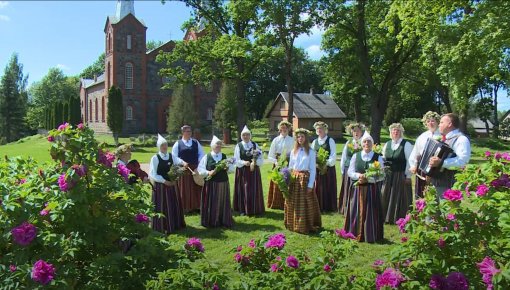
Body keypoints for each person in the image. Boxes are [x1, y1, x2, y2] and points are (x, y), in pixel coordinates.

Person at [344, 133, 385, 243]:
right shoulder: (356, 156)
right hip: (358, 189)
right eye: (365, 142)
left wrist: (369, 179)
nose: (367, 143)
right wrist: (359, 176)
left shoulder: (378, 157)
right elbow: (350, 172)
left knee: (371, 211)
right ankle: (355, 231)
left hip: (371, 189)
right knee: (356, 210)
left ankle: (371, 234)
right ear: (362, 144)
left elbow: (382, 175)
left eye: (369, 142)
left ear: (372, 144)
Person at [284, 128, 321, 234]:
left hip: (304, 179)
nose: (300, 139)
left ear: (306, 138)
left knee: (305, 202)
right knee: (292, 201)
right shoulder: (293, 152)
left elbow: (313, 169)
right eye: (298, 137)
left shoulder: (311, 152)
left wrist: (310, 185)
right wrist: (287, 180)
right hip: (294, 178)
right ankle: (292, 223)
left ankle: (306, 224)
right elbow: (290, 167)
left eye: (302, 137)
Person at [149, 134, 188, 234]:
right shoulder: (155, 158)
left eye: (166, 145)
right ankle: (162, 226)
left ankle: (174, 224)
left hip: (172, 184)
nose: (165, 147)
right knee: (162, 205)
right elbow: (153, 174)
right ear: (159, 147)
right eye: (162, 145)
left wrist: (184, 163)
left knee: (173, 203)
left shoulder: (170, 155)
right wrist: (165, 181)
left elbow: (178, 160)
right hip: (161, 186)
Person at [428, 113, 471, 196]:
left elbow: (463, 162)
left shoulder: (461, 139)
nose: (439, 125)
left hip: (449, 185)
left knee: (446, 208)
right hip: (436, 182)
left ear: (449, 124)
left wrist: (441, 162)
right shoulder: (444, 139)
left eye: (441, 122)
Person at [197, 136, 235, 227]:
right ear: (212, 146)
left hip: (223, 183)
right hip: (211, 185)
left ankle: (223, 219)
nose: (218, 146)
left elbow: (232, 169)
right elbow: (200, 169)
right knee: (211, 202)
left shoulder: (225, 157)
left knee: (222, 201)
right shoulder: (207, 157)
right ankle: (211, 220)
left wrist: (227, 168)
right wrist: (208, 172)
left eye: (219, 144)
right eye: (216, 144)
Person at [381, 123, 413, 224]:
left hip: (400, 174)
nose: (395, 132)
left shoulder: (406, 144)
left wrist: (408, 176)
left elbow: (410, 161)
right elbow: (383, 158)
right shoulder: (387, 144)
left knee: (399, 195)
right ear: (390, 132)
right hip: (388, 175)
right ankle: (386, 216)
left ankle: (399, 217)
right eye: (393, 130)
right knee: (386, 194)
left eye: (398, 131)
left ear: (401, 132)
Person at [171, 125, 205, 213]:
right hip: (184, 169)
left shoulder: (195, 142)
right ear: (183, 132)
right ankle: (185, 207)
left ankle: (197, 206)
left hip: (195, 168)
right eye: (187, 131)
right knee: (185, 188)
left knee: (196, 186)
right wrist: (182, 162)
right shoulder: (178, 143)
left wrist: (199, 164)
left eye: (190, 131)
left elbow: (201, 154)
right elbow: (174, 157)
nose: (189, 133)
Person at [233, 125, 265, 216]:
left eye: (247, 135)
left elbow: (261, 158)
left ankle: (255, 208)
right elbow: (236, 159)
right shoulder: (238, 146)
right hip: (242, 172)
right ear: (241, 136)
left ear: (250, 136)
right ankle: (243, 209)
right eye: (244, 135)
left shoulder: (255, 145)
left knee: (253, 189)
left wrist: (254, 162)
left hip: (253, 171)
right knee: (244, 189)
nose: (245, 137)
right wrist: (244, 162)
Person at [409, 111, 441, 197]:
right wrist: (413, 165)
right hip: (422, 168)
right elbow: (416, 152)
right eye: (428, 121)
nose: (430, 123)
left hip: (437, 168)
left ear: (438, 122)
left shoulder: (442, 135)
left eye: (433, 120)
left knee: (434, 193)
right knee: (421, 193)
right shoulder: (422, 136)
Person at [267, 120, 294, 209]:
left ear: (289, 129)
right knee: (277, 184)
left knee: (288, 183)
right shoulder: (275, 140)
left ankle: (288, 203)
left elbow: (295, 154)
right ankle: (277, 204)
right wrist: (276, 162)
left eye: (286, 128)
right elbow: (270, 155)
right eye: (282, 128)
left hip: (288, 165)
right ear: (279, 129)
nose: (284, 130)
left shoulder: (292, 140)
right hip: (278, 164)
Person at [339, 123, 365, 214]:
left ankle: (356, 208)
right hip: (347, 168)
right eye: (354, 131)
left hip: (358, 170)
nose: (356, 133)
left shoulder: (364, 142)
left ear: (361, 132)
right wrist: (342, 169)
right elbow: (344, 156)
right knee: (347, 188)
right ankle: (346, 208)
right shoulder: (348, 142)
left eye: (358, 131)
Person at [311, 121, 337, 212]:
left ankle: (328, 206)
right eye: (317, 129)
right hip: (318, 167)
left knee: (327, 186)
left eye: (321, 128)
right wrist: (316, 164)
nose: (319, 130)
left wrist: (326, 164)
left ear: (325, 129)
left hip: (328, 168)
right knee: (319, 186)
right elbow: (312, 154)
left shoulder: (330, 140)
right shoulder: (314, 141)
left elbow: (333, 155)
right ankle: (318, 205)